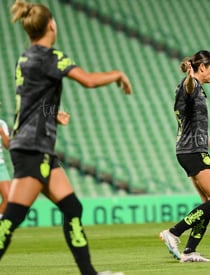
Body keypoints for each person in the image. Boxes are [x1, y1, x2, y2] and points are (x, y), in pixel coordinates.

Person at [0, 1, 132, 274]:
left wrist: (52, 113)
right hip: (33, 148)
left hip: (32, 144)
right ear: (52, 24)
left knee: (72, 207)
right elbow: (89, 80)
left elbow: (30, 101)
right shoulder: (53, 57)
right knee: (12, 216)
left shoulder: (24, 58)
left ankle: (89, 273)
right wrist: (117, 74)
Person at [159, 50, 210, 263]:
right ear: (201, 67)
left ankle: (189, 251)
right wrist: (190, 75)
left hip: (190, 149)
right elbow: (189, 86)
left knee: (207, 202)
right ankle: (173, 233)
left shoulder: (194, 88)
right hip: (194, 151)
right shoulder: (191, 85)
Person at [0, 119, 11, 218]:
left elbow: (7, 145)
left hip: (1, 166)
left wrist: (2, 132)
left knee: (8, 197)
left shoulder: (2, 123)